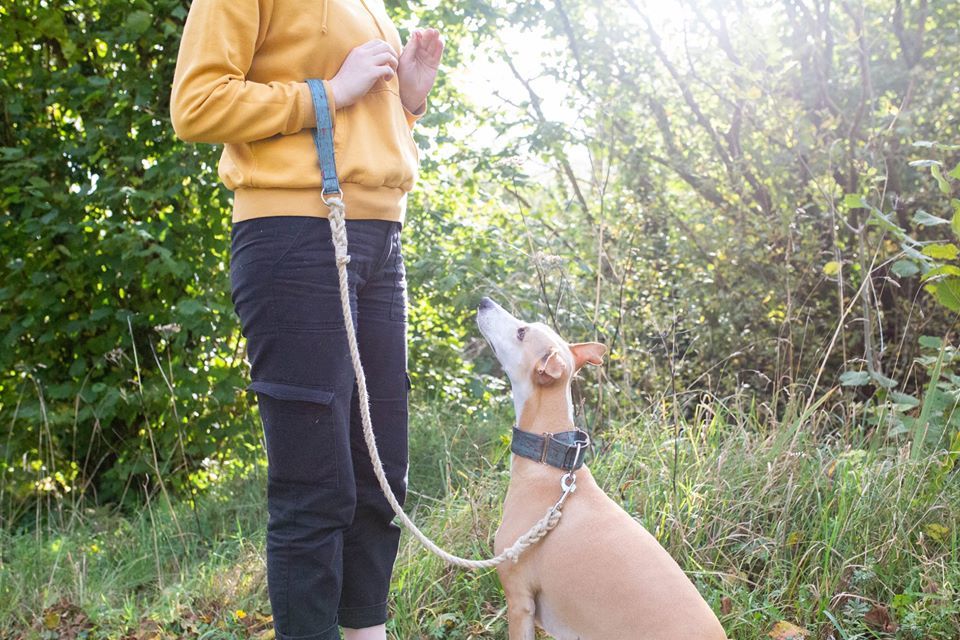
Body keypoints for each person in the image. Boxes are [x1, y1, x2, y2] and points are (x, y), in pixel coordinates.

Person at [169, 1, 442, 638]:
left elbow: (357, 127)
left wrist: (407, 102)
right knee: (315, 485)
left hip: (380, 238)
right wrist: (327, 91)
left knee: (382, 475)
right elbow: (198, 105)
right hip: (296, 236)